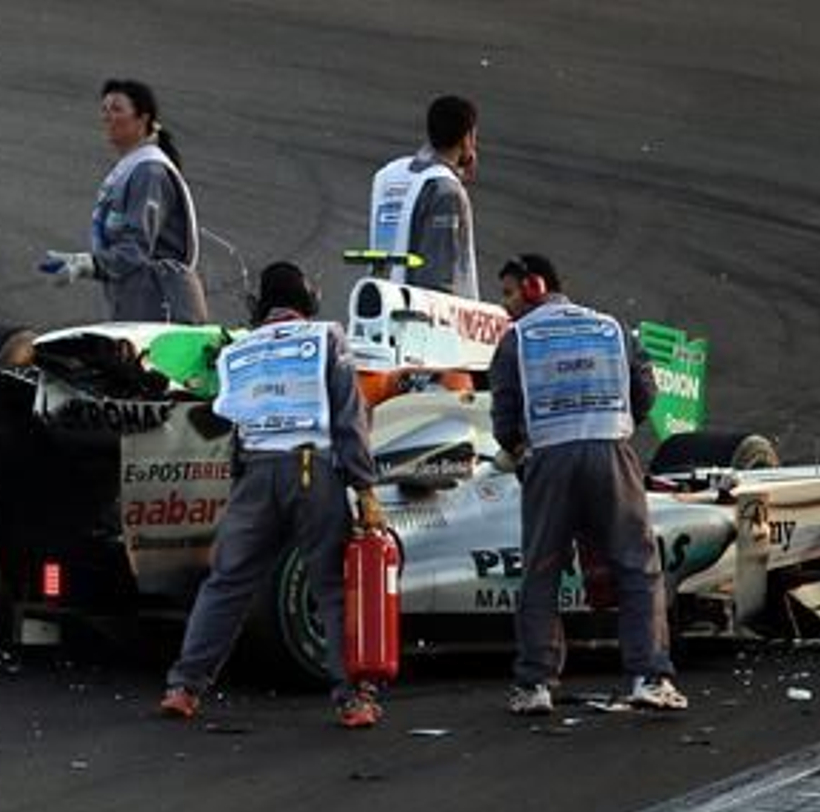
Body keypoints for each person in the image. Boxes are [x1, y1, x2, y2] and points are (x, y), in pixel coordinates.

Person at [160, 263, 388, 729]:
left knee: (226, 583)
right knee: (330, 587)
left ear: (261, 303)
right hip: (311, 471)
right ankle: (354, 700)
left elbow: (228, 426)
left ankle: (184, 688)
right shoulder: (327, 338)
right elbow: (349, 416)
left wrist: (241, 486)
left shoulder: (237, 350)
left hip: (256, 475)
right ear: (308, 300)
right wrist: (364, 487)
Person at [488, 253, 687, 715]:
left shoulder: (516, 339)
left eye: (509, 293)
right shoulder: (612, 327)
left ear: (534, 286)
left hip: (549, 458)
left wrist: (520, 449)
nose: (505, 305)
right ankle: (650, 678)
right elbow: (646, 393)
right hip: (611, 452)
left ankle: (535, 685)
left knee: (541, 571)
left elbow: (504, 416)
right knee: (637, 567)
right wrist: (611, 426)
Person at [39, 79, 208, 324]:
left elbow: (136, 248)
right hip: (139, 301)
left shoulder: (149, 171)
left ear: (142, 119)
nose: (107, 117)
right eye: (104, 110)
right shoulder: (131, 168)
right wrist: (85, 261)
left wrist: (89, 263)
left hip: (163, 304)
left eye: (117, 109)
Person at [369, 94, 480, 298]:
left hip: (380, 297)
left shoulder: (391, 174)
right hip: (418, 309)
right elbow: (440, 275)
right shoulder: (446, 190)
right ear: (466, 138)